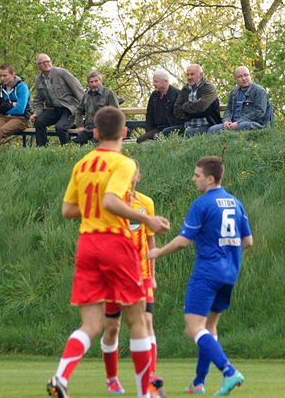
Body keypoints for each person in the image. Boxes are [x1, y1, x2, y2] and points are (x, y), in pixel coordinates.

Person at [47, 106, 170, 398]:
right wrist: (146, 219)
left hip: (87, 243)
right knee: (137, 321)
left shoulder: (83, 163)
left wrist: (94, 208)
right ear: (125, 133)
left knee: (91, 324)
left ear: (96, 132)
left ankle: (60, 377)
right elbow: (112, 202)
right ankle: (145, 393)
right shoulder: (123, 163)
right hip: (115, 242)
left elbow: (67, 210)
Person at [148, 156, 253, 397]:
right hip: (230, 273)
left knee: (193, 328)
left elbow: (183, 241)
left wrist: (158, 252)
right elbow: (248, 241)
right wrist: (227, 252)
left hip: (207, 273)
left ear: (210, 178)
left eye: (197, 176)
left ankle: (229, 372)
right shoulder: (236, 203)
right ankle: (198, 382)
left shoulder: (202, 204)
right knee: (209, 327)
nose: (194, 179)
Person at [99, 161, 164, 397]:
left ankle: (150, 378)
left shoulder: (146, 203)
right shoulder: (110, 203)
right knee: (113, 328)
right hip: (114, 275)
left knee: (147, 322)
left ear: (139, 176)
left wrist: (153, 274)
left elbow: (150, 240)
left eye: (132, 173)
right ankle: (112, 378)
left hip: (141, 274)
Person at [30, 53, 84, 146]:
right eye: (42, 63)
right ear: (38, 66)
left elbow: (78, 90)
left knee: (60, 127)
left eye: (47, 61)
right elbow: (38, 101)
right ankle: (42, 149)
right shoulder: (38, 80)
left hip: (69, 108)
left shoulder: (62, 73)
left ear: (51, 62)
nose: (46, 64)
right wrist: (36, 113)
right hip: (54, 109)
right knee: (39, 122)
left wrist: (85, 109)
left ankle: (67, 149)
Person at [208, 66, 271, 133]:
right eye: (239, 77)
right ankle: (227, 138)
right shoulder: (234, 92)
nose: (243, 78)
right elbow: (228, 109)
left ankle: (231, 137)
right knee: (212, 129)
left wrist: (238, 122)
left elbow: (259, 113)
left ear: (250, 75)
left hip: (253, 123)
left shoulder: (259, 91)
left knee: (242, 126)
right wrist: (226, 120)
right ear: (236, 79)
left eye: (246, 75)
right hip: (233, 124)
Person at [73, 71, 120, 145]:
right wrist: (80, 126)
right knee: (72, 145)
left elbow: (116, 113)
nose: (94, 84)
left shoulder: (108, 93)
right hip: (88, 130)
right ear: (88, 83)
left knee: (91, 146)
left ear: (101, 81)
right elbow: (79, 111)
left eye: (96, 81)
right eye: (91, 82)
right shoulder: (86, 95)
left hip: (103, 130)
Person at [174, 64, 221, 136]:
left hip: (207, 125)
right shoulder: (185, 89)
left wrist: (185, 106)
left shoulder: (209, 88)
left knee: (189, 133)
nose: (189, 77)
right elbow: (177, 110)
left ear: (201, 75)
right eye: (188, 75)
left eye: (192, 74)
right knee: (166, 132)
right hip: (187, 125)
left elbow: (201, 107)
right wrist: (193, 113)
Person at [137, 69, 182, 143]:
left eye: (156, 81)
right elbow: (149, 115)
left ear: (165, 81)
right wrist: (149, 131)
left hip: (172, 128)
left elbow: (180, 116)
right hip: (157, 129)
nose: (153, 84)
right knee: (140, 140)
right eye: (153, 81)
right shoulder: (154, 96)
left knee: (164, 133)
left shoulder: (177, 94)